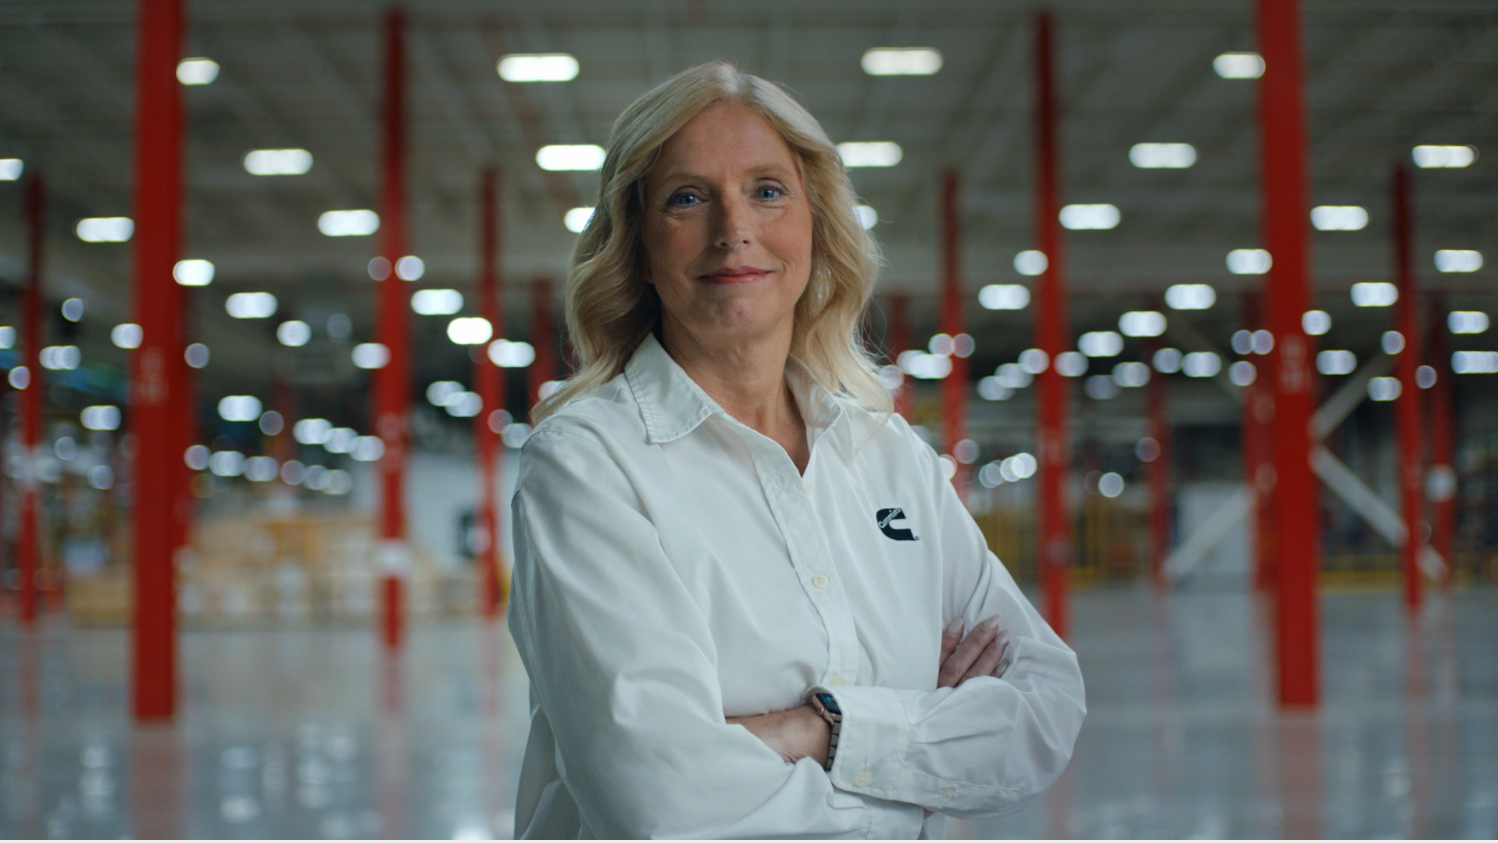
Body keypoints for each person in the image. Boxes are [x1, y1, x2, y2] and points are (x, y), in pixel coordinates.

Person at [507, 61, 1085, 839]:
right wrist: (920, 755)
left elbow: (1043, 709)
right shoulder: (588, 465)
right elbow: (663, 797)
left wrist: (818, 729)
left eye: (767, 190)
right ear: (638, 241)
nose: (733, 228)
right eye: (687, 197)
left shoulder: (888, 458)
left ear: (816, 221)